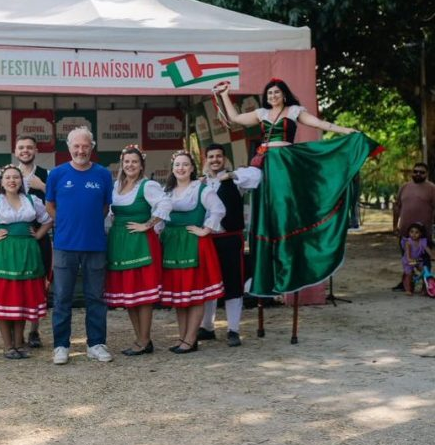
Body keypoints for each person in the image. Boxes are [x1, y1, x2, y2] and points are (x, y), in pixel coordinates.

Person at [215, 78, 381, 296]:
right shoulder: (261, 114)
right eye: (269, 93)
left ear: (284, 95)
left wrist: (346, 130)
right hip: (266, 164)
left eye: (276, 93)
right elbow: (235, 118)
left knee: (284, 210)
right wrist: (225, 94)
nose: (272, 96)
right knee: (268, 212)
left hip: (286, 165)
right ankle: (269, 273)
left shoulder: (294, 111)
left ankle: (291, 265)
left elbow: (322, 125)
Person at [0, 165, 53, 359]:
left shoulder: (32, 200)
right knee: (5, 299)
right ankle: (8, 345)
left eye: (16, 177)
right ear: (2, 181)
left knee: (21, 299)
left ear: (22, 181)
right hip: (4, 254)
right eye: (8, 178)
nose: (12, 180)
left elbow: (49, 218)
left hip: (28, 253)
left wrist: (39, 233)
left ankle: (19, 343)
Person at [45, 126, 114, 365]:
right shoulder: (56, 174)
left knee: (95, 297)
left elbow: (105, 208)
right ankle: (61, 346)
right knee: (62, 298)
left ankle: (96, 343)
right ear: (69, 147)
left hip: (95, 245)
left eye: (85, 146)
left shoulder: (103, 174)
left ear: (92, 147)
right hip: (64, 246)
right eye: (76, 146)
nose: (81, 150)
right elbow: (50, 206)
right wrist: (66, 224)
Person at [104, 145, 171, 355]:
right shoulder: (116, 186)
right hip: (119, 242)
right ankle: (141, 339)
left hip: (140, 242)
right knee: (128, 295)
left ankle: (144, 339)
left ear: (141, 164)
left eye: (134, 161)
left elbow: (166, 203)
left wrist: (148, 224)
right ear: (121, 165)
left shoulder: (148, 185)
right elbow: (109, 213)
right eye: (126, 162)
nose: (130, 165)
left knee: (142, 294)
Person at [160, 150, 225, 353]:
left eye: (185, 164)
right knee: (179, 294)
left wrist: (205, 229)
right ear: (172, 168)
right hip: (172, 245)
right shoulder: (167, 191)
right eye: (177, 164)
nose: (181, 168)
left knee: (195, 293)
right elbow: (159, 216)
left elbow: (218, 209)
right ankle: (183, 338)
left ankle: (190, 338)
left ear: (192, 168)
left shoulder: (201, 189)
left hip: (193, 243)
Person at [198, 144, 261, 347]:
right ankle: (207, 327)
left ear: (224, 159)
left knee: (233, 283)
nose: (214, 160)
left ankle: (233, 330)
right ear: (205, 159)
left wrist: (233, 175)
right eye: (211, 156)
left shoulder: (236, 179)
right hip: (208, 240)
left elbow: (257, 176)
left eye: (218, 156)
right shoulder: (200, 183)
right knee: (208, 283)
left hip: (230, 239)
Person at [392, 163, 435, 291]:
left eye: (421, 172)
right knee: (406, 258)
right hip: (405, 231)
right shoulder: (404, 187)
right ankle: (406, 283)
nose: (418, 174)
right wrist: (395, 225)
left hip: (424, 233)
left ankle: (427, 285)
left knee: (424, 259)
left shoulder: (432, 188)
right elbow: (397, 207)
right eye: (415, 171)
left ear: (426, 174)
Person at [401, 222, 434, 295]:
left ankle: (425, 289)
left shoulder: (422, 241)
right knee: (408, 274)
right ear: (409, 233)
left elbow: (428, 251)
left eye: (416, 232)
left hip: (418, 260)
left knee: (425, 270)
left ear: (421, 234)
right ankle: (408, 289)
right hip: (409, 261)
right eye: (411, 232)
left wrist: (432, 256)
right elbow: (408, 255)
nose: (413, 234)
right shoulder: (408, 242)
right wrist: (410, 259)